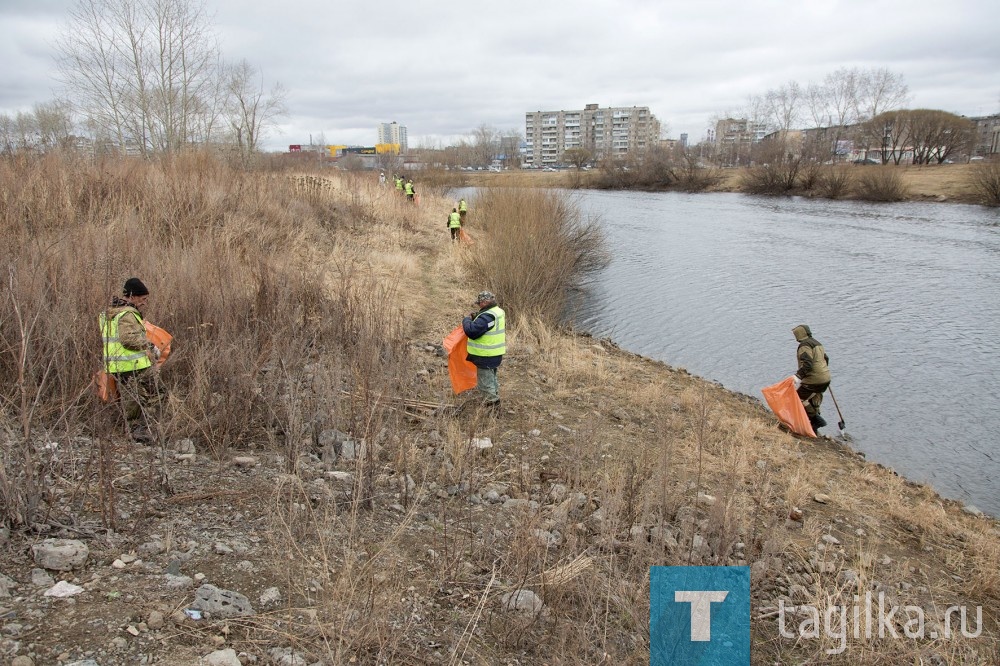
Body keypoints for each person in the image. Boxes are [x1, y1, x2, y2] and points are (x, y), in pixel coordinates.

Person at [100, 277, 161, 442]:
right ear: (133, 296)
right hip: (130, 365)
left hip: (122, 365)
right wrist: (150, 346)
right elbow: (127, 339)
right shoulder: (126, 314)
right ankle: (139, 435)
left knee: (145, 397)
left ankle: (143, 431)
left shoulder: (112, 313)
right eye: (143, 299)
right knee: (136, 401)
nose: (144, 303)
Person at [462, 291, 506, 409]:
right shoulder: (498, 311)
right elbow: (487, 322)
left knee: (485, 384)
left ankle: (493, 409)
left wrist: (466, 320)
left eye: (480, 303)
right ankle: (494, 400)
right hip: (495, 354)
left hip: (486, 356)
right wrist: (476, 316)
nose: (479, 305)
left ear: (485, 302)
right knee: (491, 379)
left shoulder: (488, 316)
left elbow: (472, 331)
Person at [792, 324, 831, 434]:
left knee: (798, 398)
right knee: (814, 400)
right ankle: (813, 427)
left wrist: (797, 376)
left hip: (814, 379)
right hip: (825, 378)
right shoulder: (817, 343)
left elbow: (807, 364)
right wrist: (823, 372)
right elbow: (826, 358)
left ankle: (816, 420)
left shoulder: (804, 345)